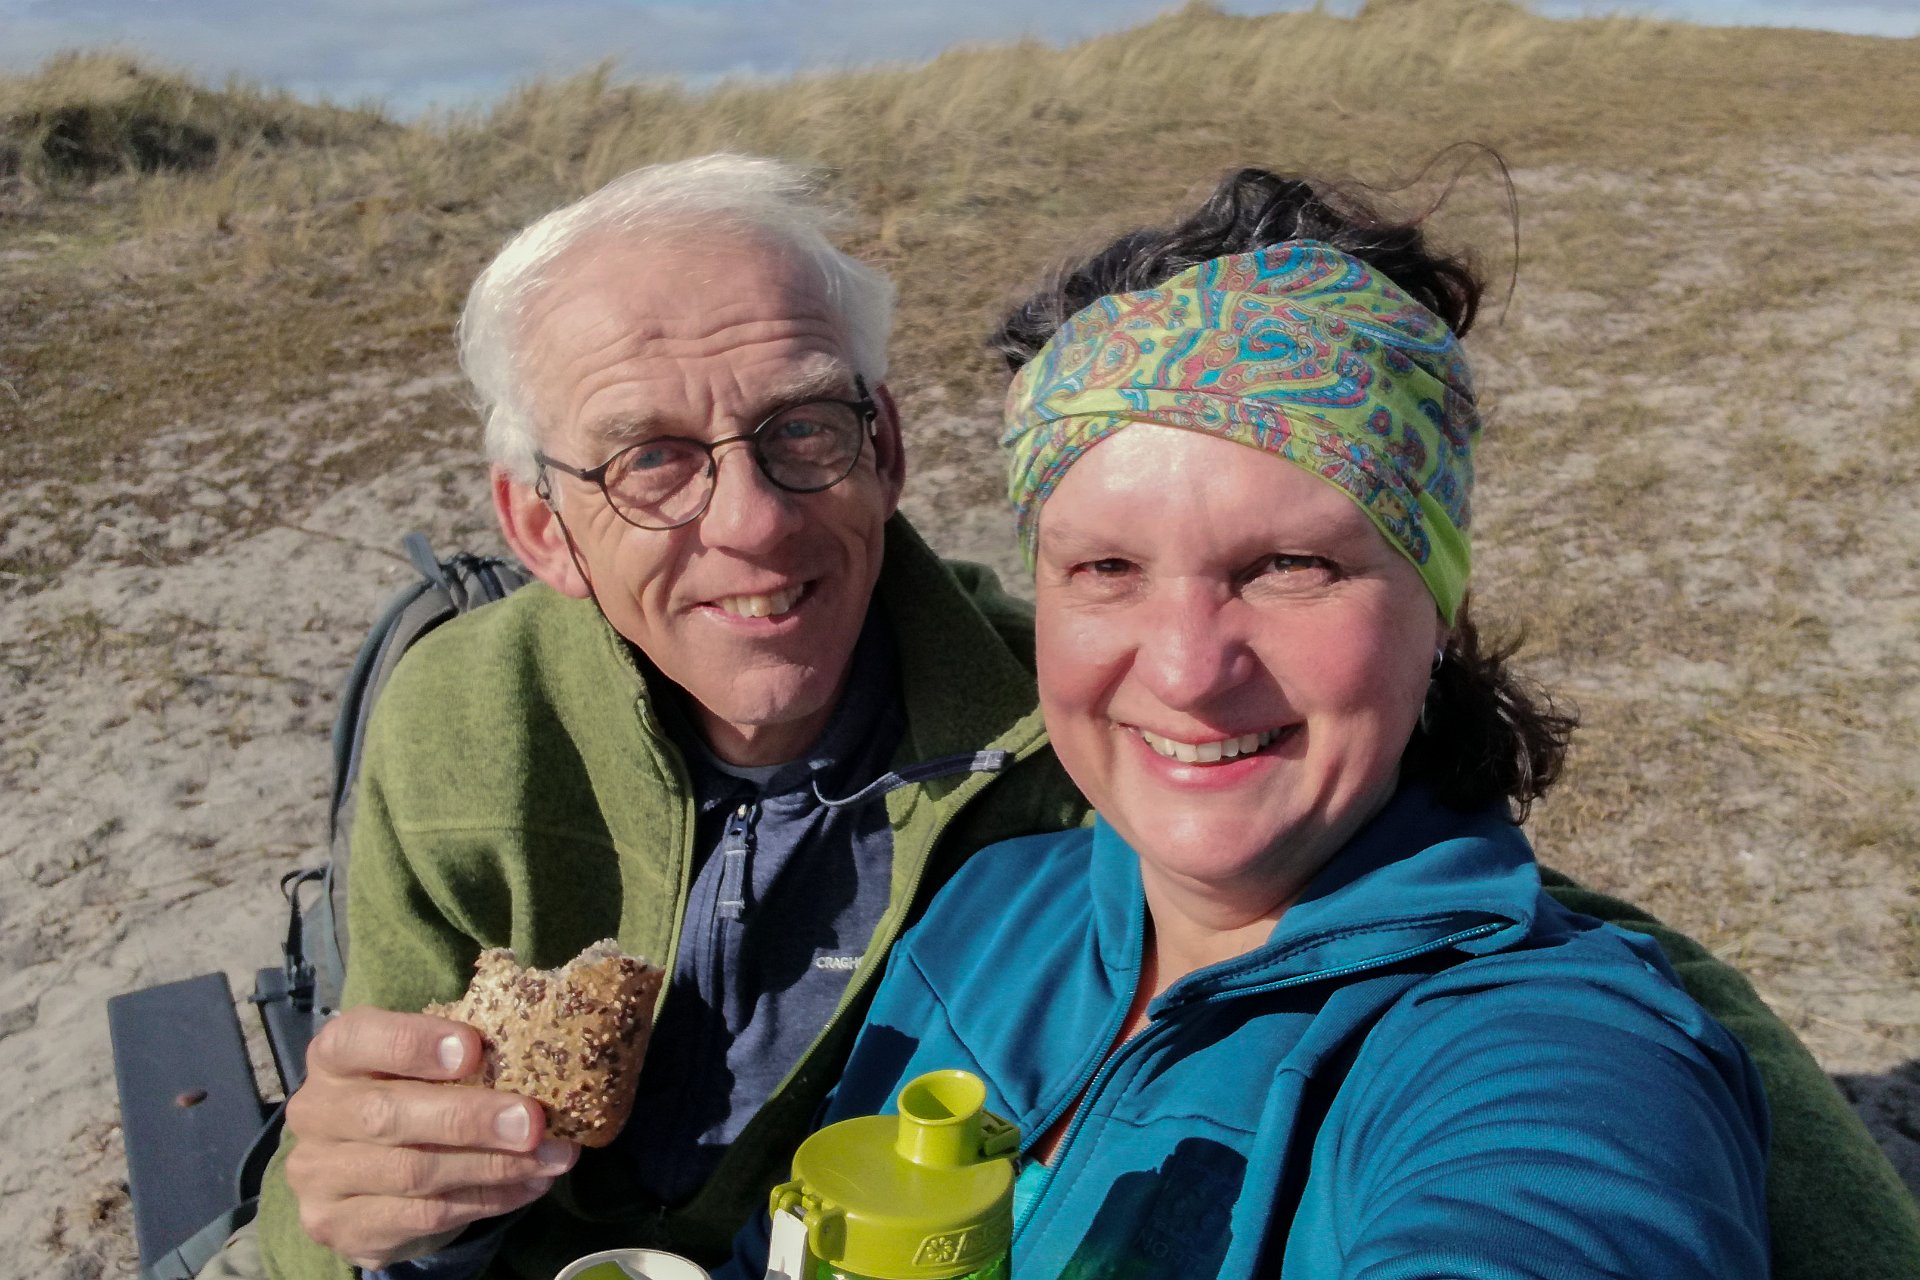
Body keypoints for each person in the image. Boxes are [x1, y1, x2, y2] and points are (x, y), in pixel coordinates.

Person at [239, 157, 1916, 1280]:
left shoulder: (1517, 1047)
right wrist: (364, 1210)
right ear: (539, 526)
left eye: (1291, 565)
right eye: (1106, 568)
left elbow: (1576, 1089)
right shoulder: (1008, 906)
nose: (1182, 669)